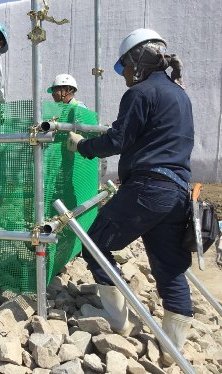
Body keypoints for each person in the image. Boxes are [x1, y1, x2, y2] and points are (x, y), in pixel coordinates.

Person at [66, 28, 194, 366]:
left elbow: (118, 140)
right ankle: (172, 349)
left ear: (137, 60)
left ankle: (119, 320)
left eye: (123, 68)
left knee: (93, 241)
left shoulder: (140, 93)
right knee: (169, 267)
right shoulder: (179, 94)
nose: (124, 76)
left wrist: (82, 145)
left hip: (148, 188)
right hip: (178, 192)